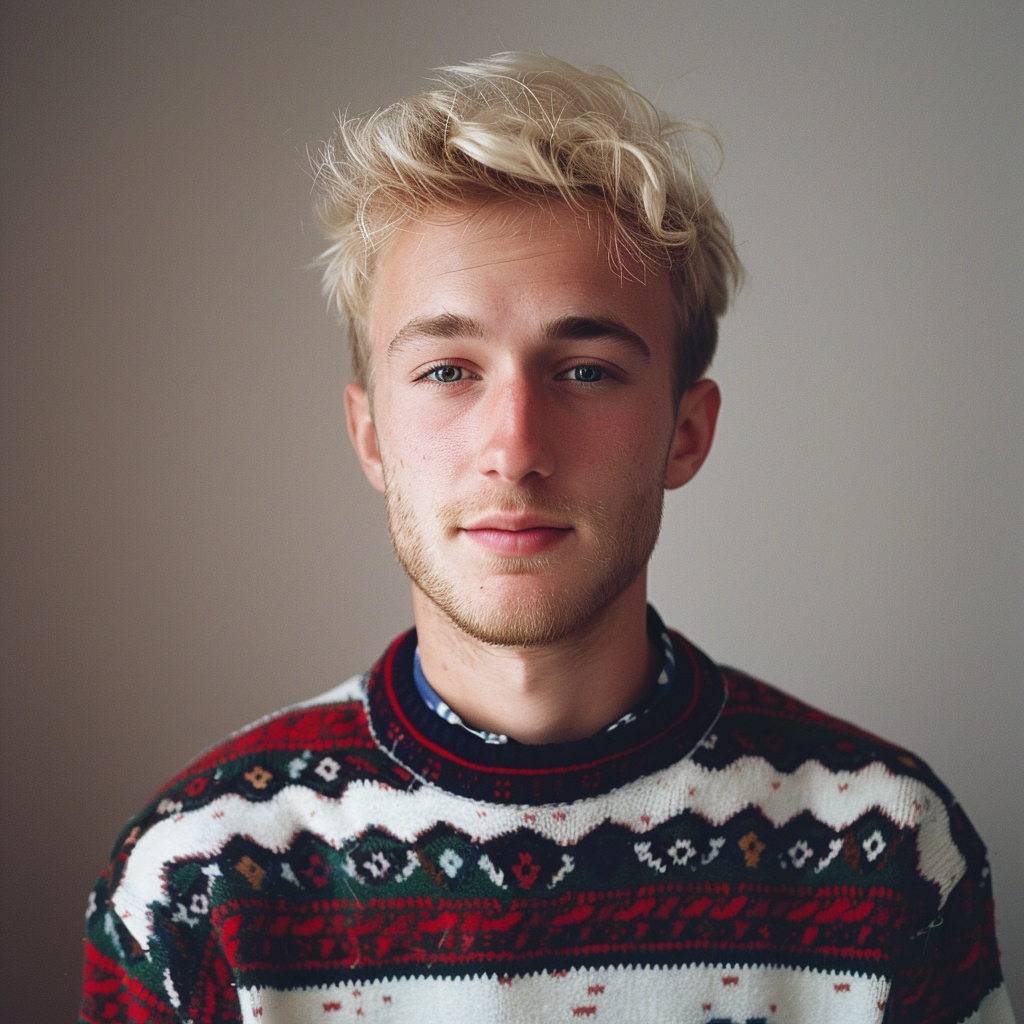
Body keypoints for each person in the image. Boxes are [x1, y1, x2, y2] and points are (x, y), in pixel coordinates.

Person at [80, 53, 1014, 1024]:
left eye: (585, 371)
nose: (515, 450)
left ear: (684, 432)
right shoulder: (198, 873)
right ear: (369, 434)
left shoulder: (890, 848)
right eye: (447, 370)